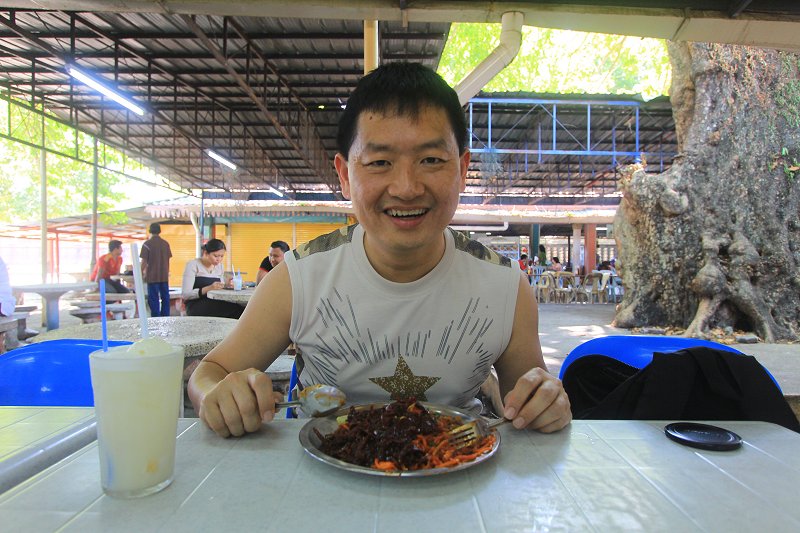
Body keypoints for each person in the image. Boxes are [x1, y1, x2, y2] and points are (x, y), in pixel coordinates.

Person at [188, 62, 571, 438]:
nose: (406, 187)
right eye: (379, 162)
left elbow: (527, 400)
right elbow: (210, 373)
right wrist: (218, 397)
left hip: (456, 473)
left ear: (462, 169)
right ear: (344, 175)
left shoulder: (505, 287)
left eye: (431, 160)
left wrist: (546, 402)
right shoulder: (299, 278)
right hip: (320, 482)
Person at [181, 239, 244, 319]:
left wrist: (226, 285)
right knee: (236, 310)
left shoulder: (219, 267)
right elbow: (185, 294)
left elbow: (218, 287)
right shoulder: (193, 265)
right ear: (206, 253)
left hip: (214, 301)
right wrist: (208, 288)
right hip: (195, 304)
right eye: (216, 256)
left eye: (222, 256)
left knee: (242, 308)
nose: (219, 259)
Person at [140, 222, 172, 317]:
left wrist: (140, 273)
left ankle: (156, 318)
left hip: (152, 276)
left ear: (150, 231)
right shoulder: (165, 244)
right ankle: (165, 317)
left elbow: (144, 262)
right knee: (165, 297)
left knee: (153, 298)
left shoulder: (147, 244)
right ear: (159, 231)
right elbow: (168, 260)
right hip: (164, 276)